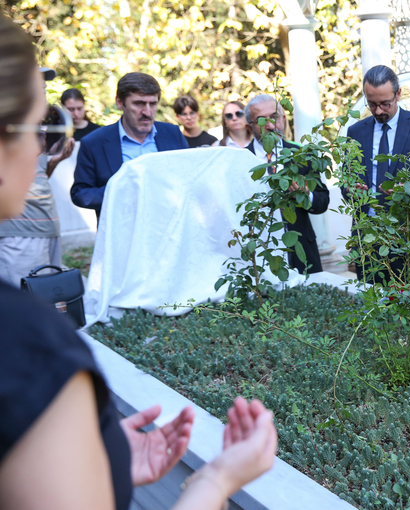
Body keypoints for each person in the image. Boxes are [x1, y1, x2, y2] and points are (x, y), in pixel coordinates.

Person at [0, 16, 277, 510]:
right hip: (128, 252)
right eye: (40, 126)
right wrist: (216, 481)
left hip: (174, 258)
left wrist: (103, 452)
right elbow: (84, 190)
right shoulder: (28, 341)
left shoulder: (173, 135)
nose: (46, 145)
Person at [345, 65, 410, 284]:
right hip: (368, 237)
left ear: (398, 94)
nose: (378, 111)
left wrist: (408, 192)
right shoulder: (355, 132)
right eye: (372, 104)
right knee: (372, 309)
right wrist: (351, 189)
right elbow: (346, 179)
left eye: (385, 103)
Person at [71, 72, 189, 219]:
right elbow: (81, 194)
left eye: (152, 104)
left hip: (170, 230)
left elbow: (190, 179)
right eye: (139, 103)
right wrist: (122, 192)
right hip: (121, 233)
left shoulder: (172, 134)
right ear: (120, 103)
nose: (147, 112)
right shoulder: (94, 143)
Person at [0, 71, 75, 287]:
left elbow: (38, 177)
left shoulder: (34, 125)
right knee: (20, 306)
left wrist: (54, 161)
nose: (43, 90)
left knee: (49, 297)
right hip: (18, 234)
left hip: (48, 227)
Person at [246, 94, 329, 274]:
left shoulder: (301, 155)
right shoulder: (240, 161)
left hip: (301, 251)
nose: (269, 125)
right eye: (261, 121)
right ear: (250, 127)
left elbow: (322, 201)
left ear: (283, 119)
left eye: (274, 117)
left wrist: (305, 194)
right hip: (259, 255)